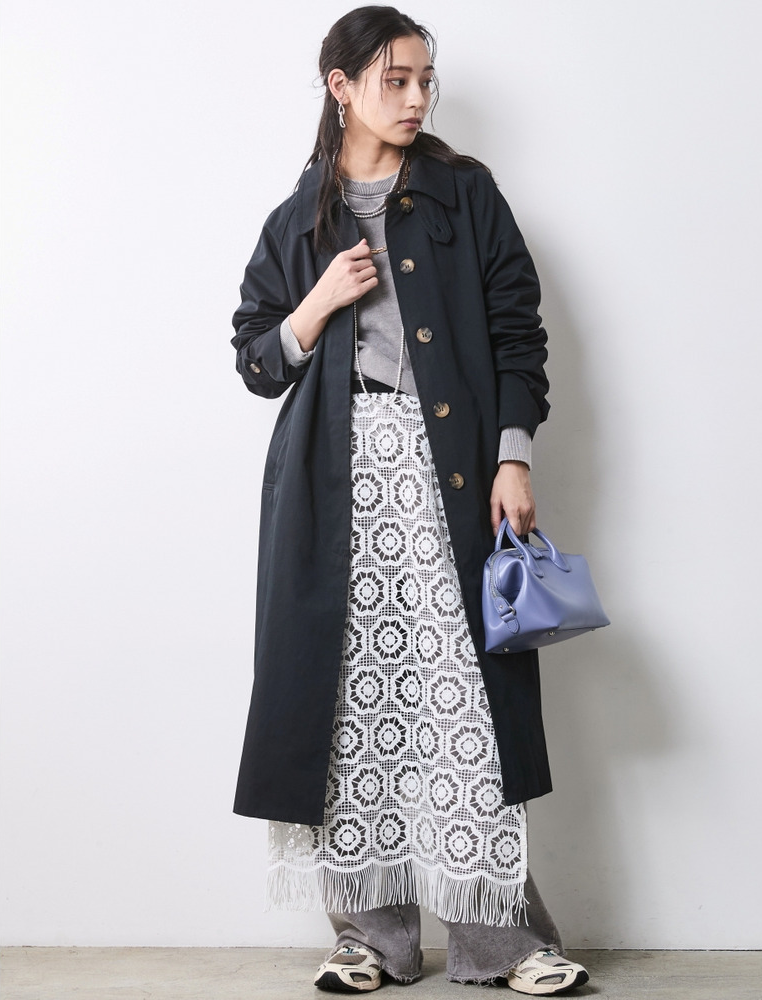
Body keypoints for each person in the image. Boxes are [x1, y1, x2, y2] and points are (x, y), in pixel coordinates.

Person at [229, 6, 587, 995]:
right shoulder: (299, 218)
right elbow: (255, 360)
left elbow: (518, 333)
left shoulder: (464, 194)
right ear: (341, 86)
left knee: (460, 702)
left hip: (452, 477)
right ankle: (369, 941)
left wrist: (513, 457)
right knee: (351, 703)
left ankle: (501, 944)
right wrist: (317, 304)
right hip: (332, 488)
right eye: (396, 79)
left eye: (426, 78)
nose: (418, 96)